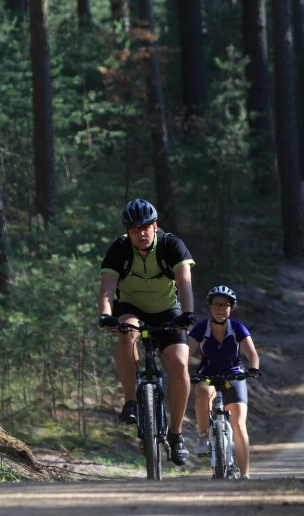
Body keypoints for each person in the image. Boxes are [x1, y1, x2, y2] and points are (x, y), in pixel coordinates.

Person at [97, 199, 196, 466]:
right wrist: (106, 314)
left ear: (155, 226)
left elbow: (184, 281)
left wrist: (188, 313)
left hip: (168, 310)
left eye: (145, 228)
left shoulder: (171, 246)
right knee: (127, 333)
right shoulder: (119, 249)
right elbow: (107, 288)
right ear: (127, 231)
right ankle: (130, 401)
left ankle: (176, 436)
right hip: (131, 307)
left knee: (179, 364)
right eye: (134, 229)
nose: (140, 233)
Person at [188, 285, 260, 478]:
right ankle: (203, 435)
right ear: (210, 307)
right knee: (202, 393)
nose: (221, 308)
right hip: (208, 375)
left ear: (231, 307)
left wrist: (253, 368)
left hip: (233, 376)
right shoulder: (201, 328)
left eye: (225, 305)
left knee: (239, 425)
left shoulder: (237, 327)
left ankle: (245, 476)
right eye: (216, 304)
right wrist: (180, 369)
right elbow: (186, 351)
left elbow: (252, 353)